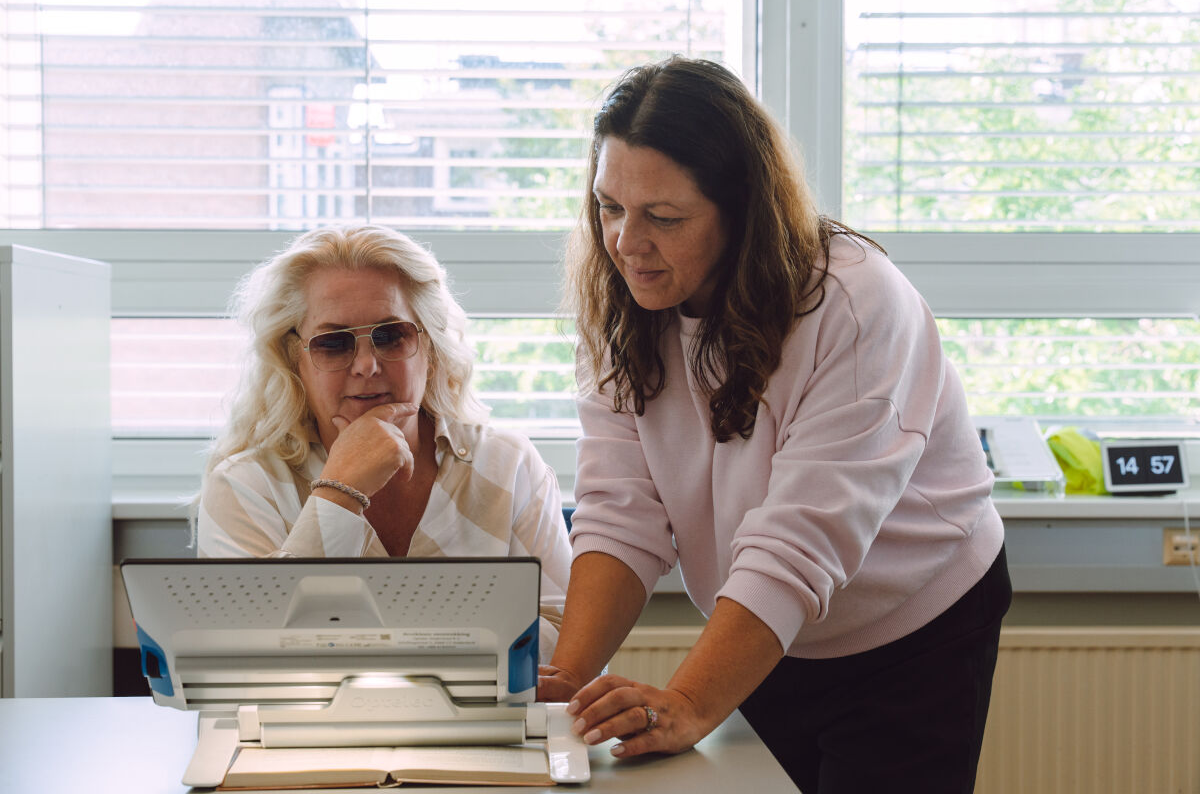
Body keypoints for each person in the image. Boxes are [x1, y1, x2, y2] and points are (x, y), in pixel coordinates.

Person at [538, 56, 1011, 792]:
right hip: (770, 622)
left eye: (663, 217)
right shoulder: (624, 299)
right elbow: (619, 518)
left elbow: (801, 539)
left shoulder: (853, 305)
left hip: (914, 628)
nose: (627, 242)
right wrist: (561, 684)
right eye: (608, 207)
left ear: (743, 212)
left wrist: (690, 702)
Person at [196, 224, 572, 662]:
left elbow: (568, 648)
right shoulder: (244, 485)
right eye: (333, 343)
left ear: (428, 348)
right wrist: (337, 494)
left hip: (479, 729)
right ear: (294, 359)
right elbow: (244, 659)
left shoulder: (508, 464)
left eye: (392, 336)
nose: (367, 365)